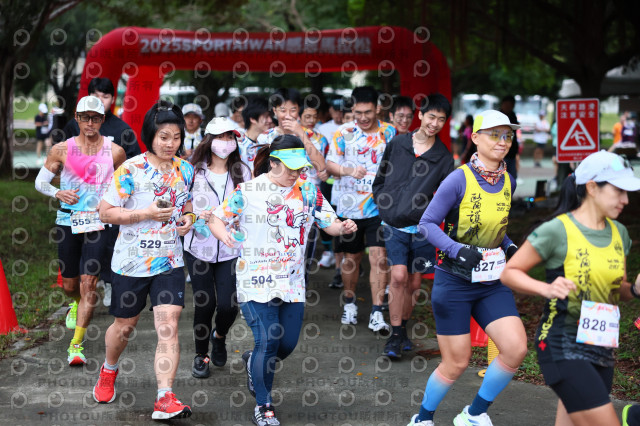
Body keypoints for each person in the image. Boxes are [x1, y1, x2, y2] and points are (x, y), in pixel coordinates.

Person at [209, 135, 357, 426]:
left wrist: (343, 227)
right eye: (290, 167)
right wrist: (224, 235)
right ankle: (264, 406)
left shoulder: (308, 191)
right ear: (273, 162)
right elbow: (216, 218)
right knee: (268, 341)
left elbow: (329, 224)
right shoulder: (248, 191)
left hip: (291, 282)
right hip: (255, 279)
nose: (296, 172)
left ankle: (253, 360)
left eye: (300, 167)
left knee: (285, 345)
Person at [501, 150, 640, 426]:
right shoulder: (557, 230)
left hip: (602, 345)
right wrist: (546, 288)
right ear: (592, 188)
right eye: (618, 191)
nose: (626, 200)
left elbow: (618, 291)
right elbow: (509, 273)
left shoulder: (619, 233)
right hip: (562, 343)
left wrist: (635, 289)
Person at [408, 110, 527, 426]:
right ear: (475, 138)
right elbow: (427, 224)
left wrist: (508, 245)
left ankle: (474, 414)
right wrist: (457, 250)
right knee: (456, 362)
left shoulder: (509, 180)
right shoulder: (458, 179)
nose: (502, 141)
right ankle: (422, 418)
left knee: (515, 348)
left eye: (508, 135)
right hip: (455, 282)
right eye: (495, 134)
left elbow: (494, 227)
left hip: (492, 282)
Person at [93, 100, 195, 420]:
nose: (170, 144)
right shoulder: (131, 169)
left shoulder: (185, 169)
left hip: (169, 260)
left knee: (169, 325)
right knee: (125, 326)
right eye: (164, 137)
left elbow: (187, 204)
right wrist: (145, 214)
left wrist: (189, 219)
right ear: (150, 135)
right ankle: (109, 369)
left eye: (176, 137)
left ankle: (165, 396)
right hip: (131, 262)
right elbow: (106, 213)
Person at [35, 95, 126, 365]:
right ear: (76, 118)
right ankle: (74, 302)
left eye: (95, 118)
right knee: (70, 285)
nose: (90, 123)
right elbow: (40, 182)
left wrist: (114, 206)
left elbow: (125, 186)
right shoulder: (61, 149)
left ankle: (76, 345)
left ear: (102, 120)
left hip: (99, 223)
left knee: (89, 283)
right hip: (68, 221)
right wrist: (57, 192)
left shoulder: (115, 152)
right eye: (85, 117)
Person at [373, 93, 454, 359]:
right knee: (398, 277)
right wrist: (385, 205)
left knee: (415, 282)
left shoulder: (443, 157)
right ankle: (395, 336)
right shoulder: (398, 143)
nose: (434, 123)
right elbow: (380, 179)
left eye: (441, 119)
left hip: (423, 228)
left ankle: (402, 330)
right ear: (420, 114)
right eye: (431, 117)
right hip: (394, 223)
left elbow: (446, 195)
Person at [58, 77, 142, 309]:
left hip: (108, 203)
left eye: (105, 96)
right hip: (77, 206)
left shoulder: (122, 130)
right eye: (96, 96)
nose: (100, 100)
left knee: (108, 245)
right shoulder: (73, 126)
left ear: (113, 99)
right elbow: (58, 160)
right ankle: (80, 297)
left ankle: (108, 282)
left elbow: (132, 167)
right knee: (76, 257)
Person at [183, 116, 251, 378]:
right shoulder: (192, 169)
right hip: (198, 245)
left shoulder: (243, 171)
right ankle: (201, 355)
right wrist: (191, 215)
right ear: (209, 139)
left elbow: (250, 205)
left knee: (229, 305)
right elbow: (183, 201)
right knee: (205, 302)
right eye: (220, 137)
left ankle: (219, 336)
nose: (225, 142)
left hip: (231, 246)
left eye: (230, 137)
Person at [325, 85, 397, 332]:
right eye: (358, 113)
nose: (363, 118)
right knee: (351, 258)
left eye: (367, 112)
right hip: (350, 208)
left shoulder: (390, 132)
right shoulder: (343, 132)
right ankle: (349, 303)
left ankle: (377, 312)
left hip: (379, 207)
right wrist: (348, 170)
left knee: (379, 257)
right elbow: (330, 164)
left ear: (377, 108)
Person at [258, 88, 328, 182]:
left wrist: (301, 133)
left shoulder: (312, 135)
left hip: (307, 188)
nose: (288, 115)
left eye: (293, 110)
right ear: (275, 111)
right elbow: (259, 170)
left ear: (298, 109)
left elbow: (321, 166)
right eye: (283, 111)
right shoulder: (265, 137)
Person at [239, 95, 272, 173]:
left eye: (270, 116)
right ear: (253, 118)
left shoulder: (267, 143)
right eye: (266, 116)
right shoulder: (239, 145)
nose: (270, 120)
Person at [499, 95, 520, 180]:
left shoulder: (513, 115)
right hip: (500, 153)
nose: (508, 107)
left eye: (510, 105)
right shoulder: (498, 116)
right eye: (507, 105)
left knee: (511, 178)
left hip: (512, 152)